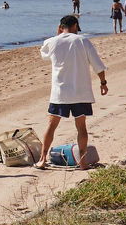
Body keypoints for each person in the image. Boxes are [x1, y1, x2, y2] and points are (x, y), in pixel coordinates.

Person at [39, 14, 107, 166]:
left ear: (60, 27)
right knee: (81, 127)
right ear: (75, 26)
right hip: (80, 92)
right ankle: (83, 162)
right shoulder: (83, 41)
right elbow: (97, 65)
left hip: (60, 92)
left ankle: (42, 159)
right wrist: (103, 83)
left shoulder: (51, 42)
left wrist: (57, 35)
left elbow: (44, 55)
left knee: (51, 125)